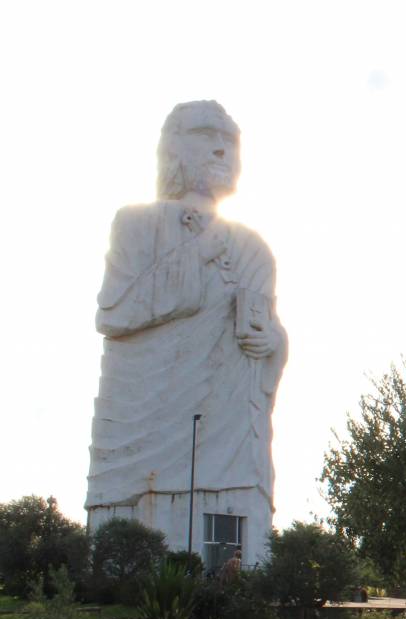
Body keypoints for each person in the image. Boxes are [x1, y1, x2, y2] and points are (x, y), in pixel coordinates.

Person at [85, 101, 287, 566]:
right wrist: (198, 253)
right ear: (173, 147)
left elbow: (270, 330)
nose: (221, 149)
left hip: (232, 430)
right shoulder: (137, 223)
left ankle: (237, 577)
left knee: (232, 511)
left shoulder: (255, 248)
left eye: (231, 142)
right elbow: (114, 313)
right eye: (205, 135)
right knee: (143, 511)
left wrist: (272, 343)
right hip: (149, 427)